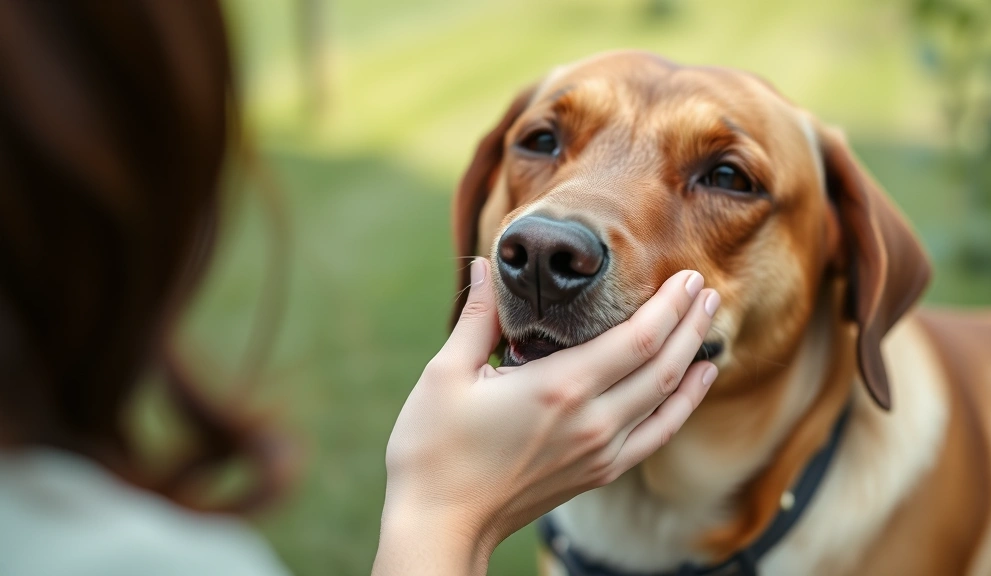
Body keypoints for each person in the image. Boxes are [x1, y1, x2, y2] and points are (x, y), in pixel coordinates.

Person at [0, 1, 719, 575]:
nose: (546, 235)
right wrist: (446, 517)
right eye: (540, 143)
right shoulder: (132, 562)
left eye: (723, 177)